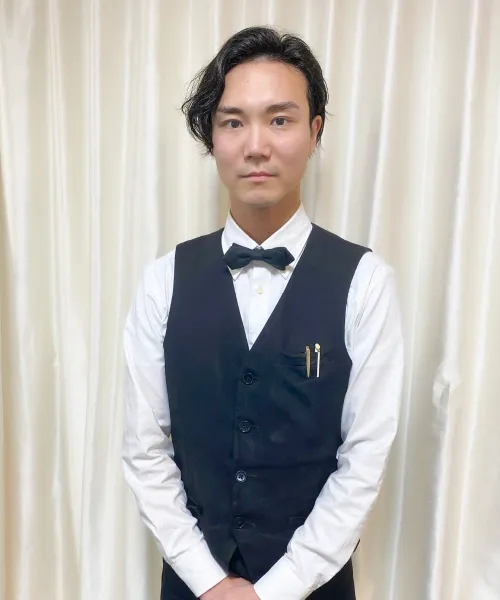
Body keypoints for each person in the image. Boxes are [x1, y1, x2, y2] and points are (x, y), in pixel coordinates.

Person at [122, 25, 404, 600]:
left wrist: (277, 588)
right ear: (211, 136)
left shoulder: (366, 282)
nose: (256, 145)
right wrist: (209, 580)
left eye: (279, 120)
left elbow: (363, 460)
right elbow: (144, 449)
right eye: (233, 122)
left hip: (315, 587)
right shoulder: (162, 281)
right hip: (193, 586)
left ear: (314, 130)